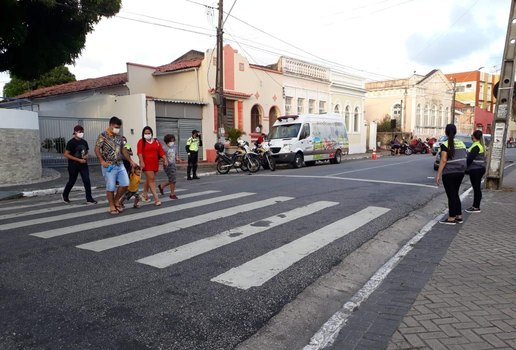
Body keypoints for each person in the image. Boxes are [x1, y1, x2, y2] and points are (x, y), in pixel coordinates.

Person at [95, 116, 137, 215]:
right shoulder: (103, 135)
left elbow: (123, 150)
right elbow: (96, 149)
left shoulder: (119, 137)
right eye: (115, 127)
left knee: (125, 184)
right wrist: (102, 161)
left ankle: (116, 200)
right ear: (110, 125)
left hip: (120, 164)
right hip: (108, 165)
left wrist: (131, 161)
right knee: (111, 187)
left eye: (119, 127)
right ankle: (112, 206)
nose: (117, 129)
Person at [435, 124, 467, 225]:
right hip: (460, 172)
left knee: (451, 195)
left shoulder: (444, 144)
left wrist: (438, 174)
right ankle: (459, 215)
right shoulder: (461, 143)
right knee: (455, 193)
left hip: (449, 172)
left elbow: (443, 160)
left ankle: (451, 217)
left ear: (446, 132)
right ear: (455, 132)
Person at [62, 125, 97, 204]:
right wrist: (78, 160)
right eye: (79, 132)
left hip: (83, 165)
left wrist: (86, 156)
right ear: (75, 132)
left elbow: (86, 152)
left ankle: (89, 198)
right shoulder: (71, 142)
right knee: (72, 181)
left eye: (82, 132)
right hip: (73, 166)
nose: (81, 133)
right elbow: (66, 154)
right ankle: (65, 195)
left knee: (87, 180)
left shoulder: (84, 142)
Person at [137, 126, 168, 206]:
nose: (147, 134)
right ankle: (156, 198)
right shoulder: (141, 142)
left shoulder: (156, 142)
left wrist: (165, 159)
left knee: (149, 179)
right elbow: (139, 153)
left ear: (151, 133)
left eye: (149, 133)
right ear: (143, 134)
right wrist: (142, 161)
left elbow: (161, 151)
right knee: (152, 179)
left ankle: (144, 194)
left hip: (154, 164)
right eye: (145, 133)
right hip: (146, 164)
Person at [465, 130, 486, 213]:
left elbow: (470, 158)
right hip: (478, 169)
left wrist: (464, 167)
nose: (471, 137)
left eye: (472, 136)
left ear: (474, 137)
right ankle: (475, 206)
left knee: (476, 188)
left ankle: (476, 207)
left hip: (476, 169)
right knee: (476, 188)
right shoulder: (477, 145)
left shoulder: (476, 146)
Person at [158, 134, 179, 199]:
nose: (172, 142)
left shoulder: (174, 147)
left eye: (173, 140)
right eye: (171, 141)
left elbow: (176, 154)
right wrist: (164, 161)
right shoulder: (164, 148)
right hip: (167, 166)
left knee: (172, 179)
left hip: (173, 165)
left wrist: (177, 158)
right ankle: (172, 194)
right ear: (167, 141)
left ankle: (161, 186)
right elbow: (160, 157)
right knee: (173, 179)